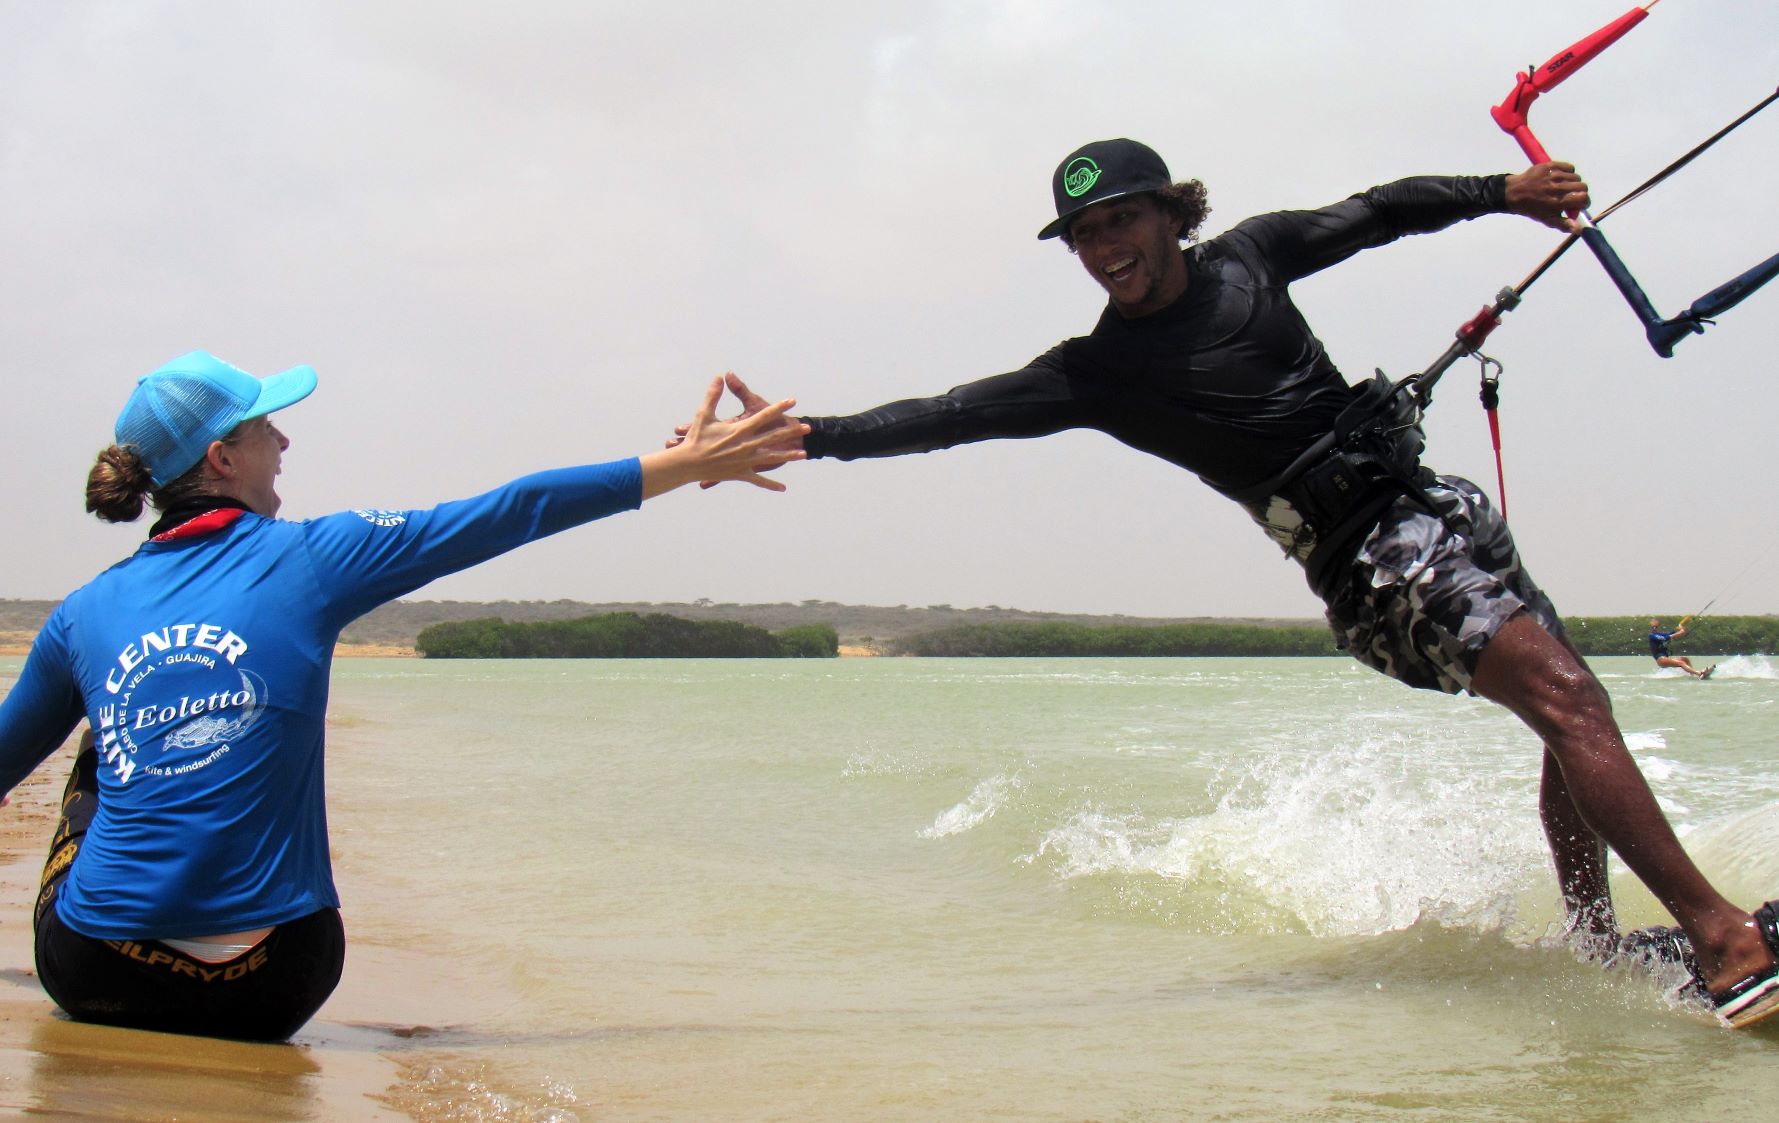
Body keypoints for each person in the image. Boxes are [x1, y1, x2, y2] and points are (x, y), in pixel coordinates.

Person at [712, 138, 1779, 1028]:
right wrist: (809, 436)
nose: (1105, 249)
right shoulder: (1097, 373)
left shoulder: (1252, 258)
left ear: (1170, 215)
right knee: (1568, 697)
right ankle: (1723, 941)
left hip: (1432, 508)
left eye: (1121, 221)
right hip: (1368, 565)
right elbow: (950, 414)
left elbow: (1378, 211)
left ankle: (1594, 945)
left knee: (1569, 713)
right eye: (1083, 235)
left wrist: (1502, 191)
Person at [0, 350, 806, 1042]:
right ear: (222, 459)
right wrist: (685, 463)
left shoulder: (82, 613)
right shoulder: (316, 557)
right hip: (271, 985)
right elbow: (511, 511)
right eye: (266, 428)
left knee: (104, 739)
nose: (284, 441)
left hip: (99, 974)